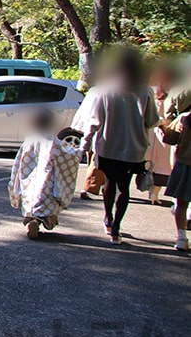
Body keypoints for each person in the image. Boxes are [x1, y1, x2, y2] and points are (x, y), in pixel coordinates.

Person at [79, 49, 160, 244]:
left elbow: (94, 120)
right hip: (134, 148)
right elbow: (152, 120)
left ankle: (108, 218)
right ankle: (116, 228)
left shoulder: (106, 89)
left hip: (108, 146)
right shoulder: (145, 90)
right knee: (124, 187)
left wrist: (84, 143)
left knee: (109, 183)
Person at [9, 109, 84, 239]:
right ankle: (37, 222)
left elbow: (18, 161)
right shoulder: (54, 143)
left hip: (29, 179)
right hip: (47, 181)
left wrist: (15, 181)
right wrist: (81, 150)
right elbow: (69, 156)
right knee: (44, 205)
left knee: (30, 201)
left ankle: (30, 220)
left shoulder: (28, 141)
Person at [160, 111, 191, 250]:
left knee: (181, 204)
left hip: (185, 164)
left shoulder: (185, 118)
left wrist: (162, 126)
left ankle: (181, 237)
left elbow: (169, 138)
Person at [146, 65, 176, 205]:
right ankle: (154, 193)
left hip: (152, 132)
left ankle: (151, 191)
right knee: (163, 166)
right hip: (166, 132)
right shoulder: (172, 92)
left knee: (151, 163)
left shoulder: (150, 91)